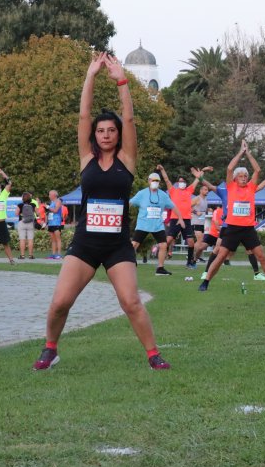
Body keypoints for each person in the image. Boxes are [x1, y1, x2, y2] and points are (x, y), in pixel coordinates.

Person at [34, 52, 171, 371]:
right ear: (95, 136)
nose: (106, 134)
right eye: (101, 131)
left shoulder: (127, 161)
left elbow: (130, 118)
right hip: (85, 245)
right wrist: (91, 76)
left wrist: (122, 80)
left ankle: (153, 355)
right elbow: (83, 116)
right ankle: (50, 348)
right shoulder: (87, 159)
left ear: (118, 134)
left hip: (117, 246)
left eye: (111, 130)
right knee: (60, 303)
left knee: (131, 302)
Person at [198, 140, 265, 292]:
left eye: (245, 175)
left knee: (261, 256)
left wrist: (249, 153)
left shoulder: (251, 187)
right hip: (232, 228)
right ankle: (205, 282)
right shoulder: (230, 187)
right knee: (220, 256)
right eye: (241, 176)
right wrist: (241, 152)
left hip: (248, 229)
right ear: (235, 178)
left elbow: (257, 170)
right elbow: (230, 167)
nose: (244, 178)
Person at [130, 172, 186, 273]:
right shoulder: (142, 193)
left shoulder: (163, 195)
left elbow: (173, 206)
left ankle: (160, 268)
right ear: (149, 181)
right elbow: (130, 202)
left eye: (157, 181)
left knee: (163, 245)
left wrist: (180, 218)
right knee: (134, 245)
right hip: (143, 224)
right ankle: (129, 263)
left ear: (159, 182)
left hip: (157, 225)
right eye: (153, 180)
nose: (155, 182)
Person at [157, 165, 199, 271]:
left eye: (184, 181)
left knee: (191, 242)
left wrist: (200, 174)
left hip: (186, 220)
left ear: (186, 183)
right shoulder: (173, 191)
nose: (182, 183)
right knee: (168, 240)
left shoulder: (189, 190)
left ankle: (189, 263)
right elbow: (166, 180)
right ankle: (161, 262)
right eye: (180, 181)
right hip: (175, 219)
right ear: (177, 183)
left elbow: (197, 180)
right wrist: (162, 169)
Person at [15, 192, 38, 259]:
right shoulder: (33, 205)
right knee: (30, 239)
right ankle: (30, 255)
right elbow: (38, 213)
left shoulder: (20, 205)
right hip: (30, 223)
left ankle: (22, 255)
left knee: (22, 239)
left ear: (22, 198)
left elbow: (16, 213)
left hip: (22, 222)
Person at [46, 190, 65, 259]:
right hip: (51, 223)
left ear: (54, 195)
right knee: (53, 239)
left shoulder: (58, 201)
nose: (49, 196)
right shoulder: (52, 202)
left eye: (50, 195)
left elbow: (56, 210)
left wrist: (48, 207)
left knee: (58, 239)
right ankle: (53, 254)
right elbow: (50, 212)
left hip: (56, 222)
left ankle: (59, 254)